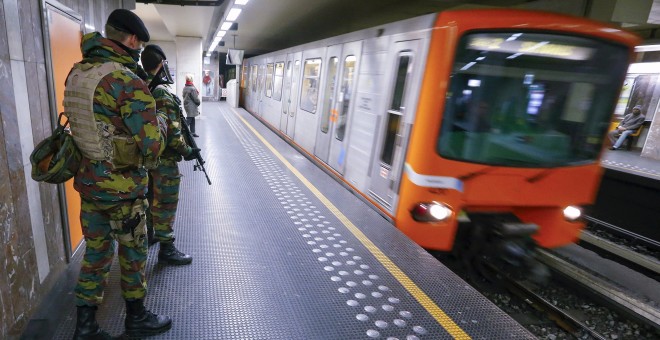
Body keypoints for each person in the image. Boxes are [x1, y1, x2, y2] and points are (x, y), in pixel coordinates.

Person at [62, 9, 172, 339]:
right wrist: (163, 121)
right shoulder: (127, 81)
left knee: (96, 254)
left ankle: (85, 326)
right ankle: (136, 319)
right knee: (133, 253)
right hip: (122, 189)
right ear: (133, 40)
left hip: (88, 182)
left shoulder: (78, 72)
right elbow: (152, 147)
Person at [141, 44, 197, 265]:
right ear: (162, 64)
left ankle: (151, 234)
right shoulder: (162, 92)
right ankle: (167, 248)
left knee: (149, 198)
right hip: (164, 160)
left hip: (146, 158)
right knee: (165, 202)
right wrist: (188, 151)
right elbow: (173, 132)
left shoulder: (141, 86)